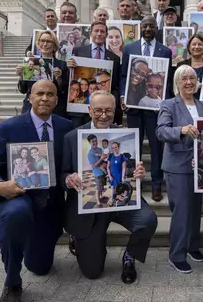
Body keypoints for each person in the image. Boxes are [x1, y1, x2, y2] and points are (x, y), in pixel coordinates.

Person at [0, 80, 74, 302]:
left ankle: (32, 242)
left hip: (49, 203)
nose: (44, 98)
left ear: (56, 100)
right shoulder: (7, 128)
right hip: (16, 198)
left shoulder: (65, 127)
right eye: (39, 93)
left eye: (50, 94)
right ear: (29, 98)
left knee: (40, 267)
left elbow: (69, 166)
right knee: (16, 215)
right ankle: (12, 282)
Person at [62, 90, 157, 284]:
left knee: (147, 220)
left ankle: (130, 256)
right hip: (87, 210)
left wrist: (138, 172)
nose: (104, 115)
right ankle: (84, 241)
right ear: (89, 110)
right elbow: (62, 172)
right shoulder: (72, 137)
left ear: (115, 111)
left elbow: (131, 167)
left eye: (109, 110)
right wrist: (68, 179)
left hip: (118, 198)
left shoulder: (123, 133)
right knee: (92, 271)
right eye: (98, 110)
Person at [156, 65, 203, 274]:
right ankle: (176, 254)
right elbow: (161, 131)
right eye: (184, 78)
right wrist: (182, 130)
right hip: (178, 165)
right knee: (182, 211)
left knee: (196, 209)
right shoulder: (168, 104)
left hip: (201, 164)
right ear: (177, 83)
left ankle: (192, 246)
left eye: (192, 78)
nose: (189, 82)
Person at [120, 16, 173, 202]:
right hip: (134, 106)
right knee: (134, 147)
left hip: (155, 109)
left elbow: (167, 80)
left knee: (156, 146)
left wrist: (164, 102)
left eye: (151, 25)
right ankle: (135, 184)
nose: (148, 28)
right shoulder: (129, 49)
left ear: (156, 27)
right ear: (140, 27)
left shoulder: (165, 51)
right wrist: (122, 97)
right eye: (145, 25)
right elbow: (123, 75)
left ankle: (157, 185)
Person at [66, 21, 122, 126]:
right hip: (80, 110)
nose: (99, 34)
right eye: (96, 31)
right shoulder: (78, 51)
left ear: (106, 34)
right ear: (91, 33)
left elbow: (115, 84)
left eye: (102, 31)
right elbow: (71, 77)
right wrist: (68, 67)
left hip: (102, 111)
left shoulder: (115, 58)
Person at [16, 31, 67, 117]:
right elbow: (23, 90)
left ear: (55, 46)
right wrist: (22, 76)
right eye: (42, 41)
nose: (45, 44)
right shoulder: (31, 62)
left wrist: (59, 79)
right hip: (31, 109)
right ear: (38, 45)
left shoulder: (62, 65)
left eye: (49, 41)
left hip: (55, 111)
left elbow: (64, 92)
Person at [176, 34, 203, 104]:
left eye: (200, 44)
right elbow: (176, 87)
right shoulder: (181, 65)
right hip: (184, 105)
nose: (196, 47)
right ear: (189, 48)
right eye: (194, 44)